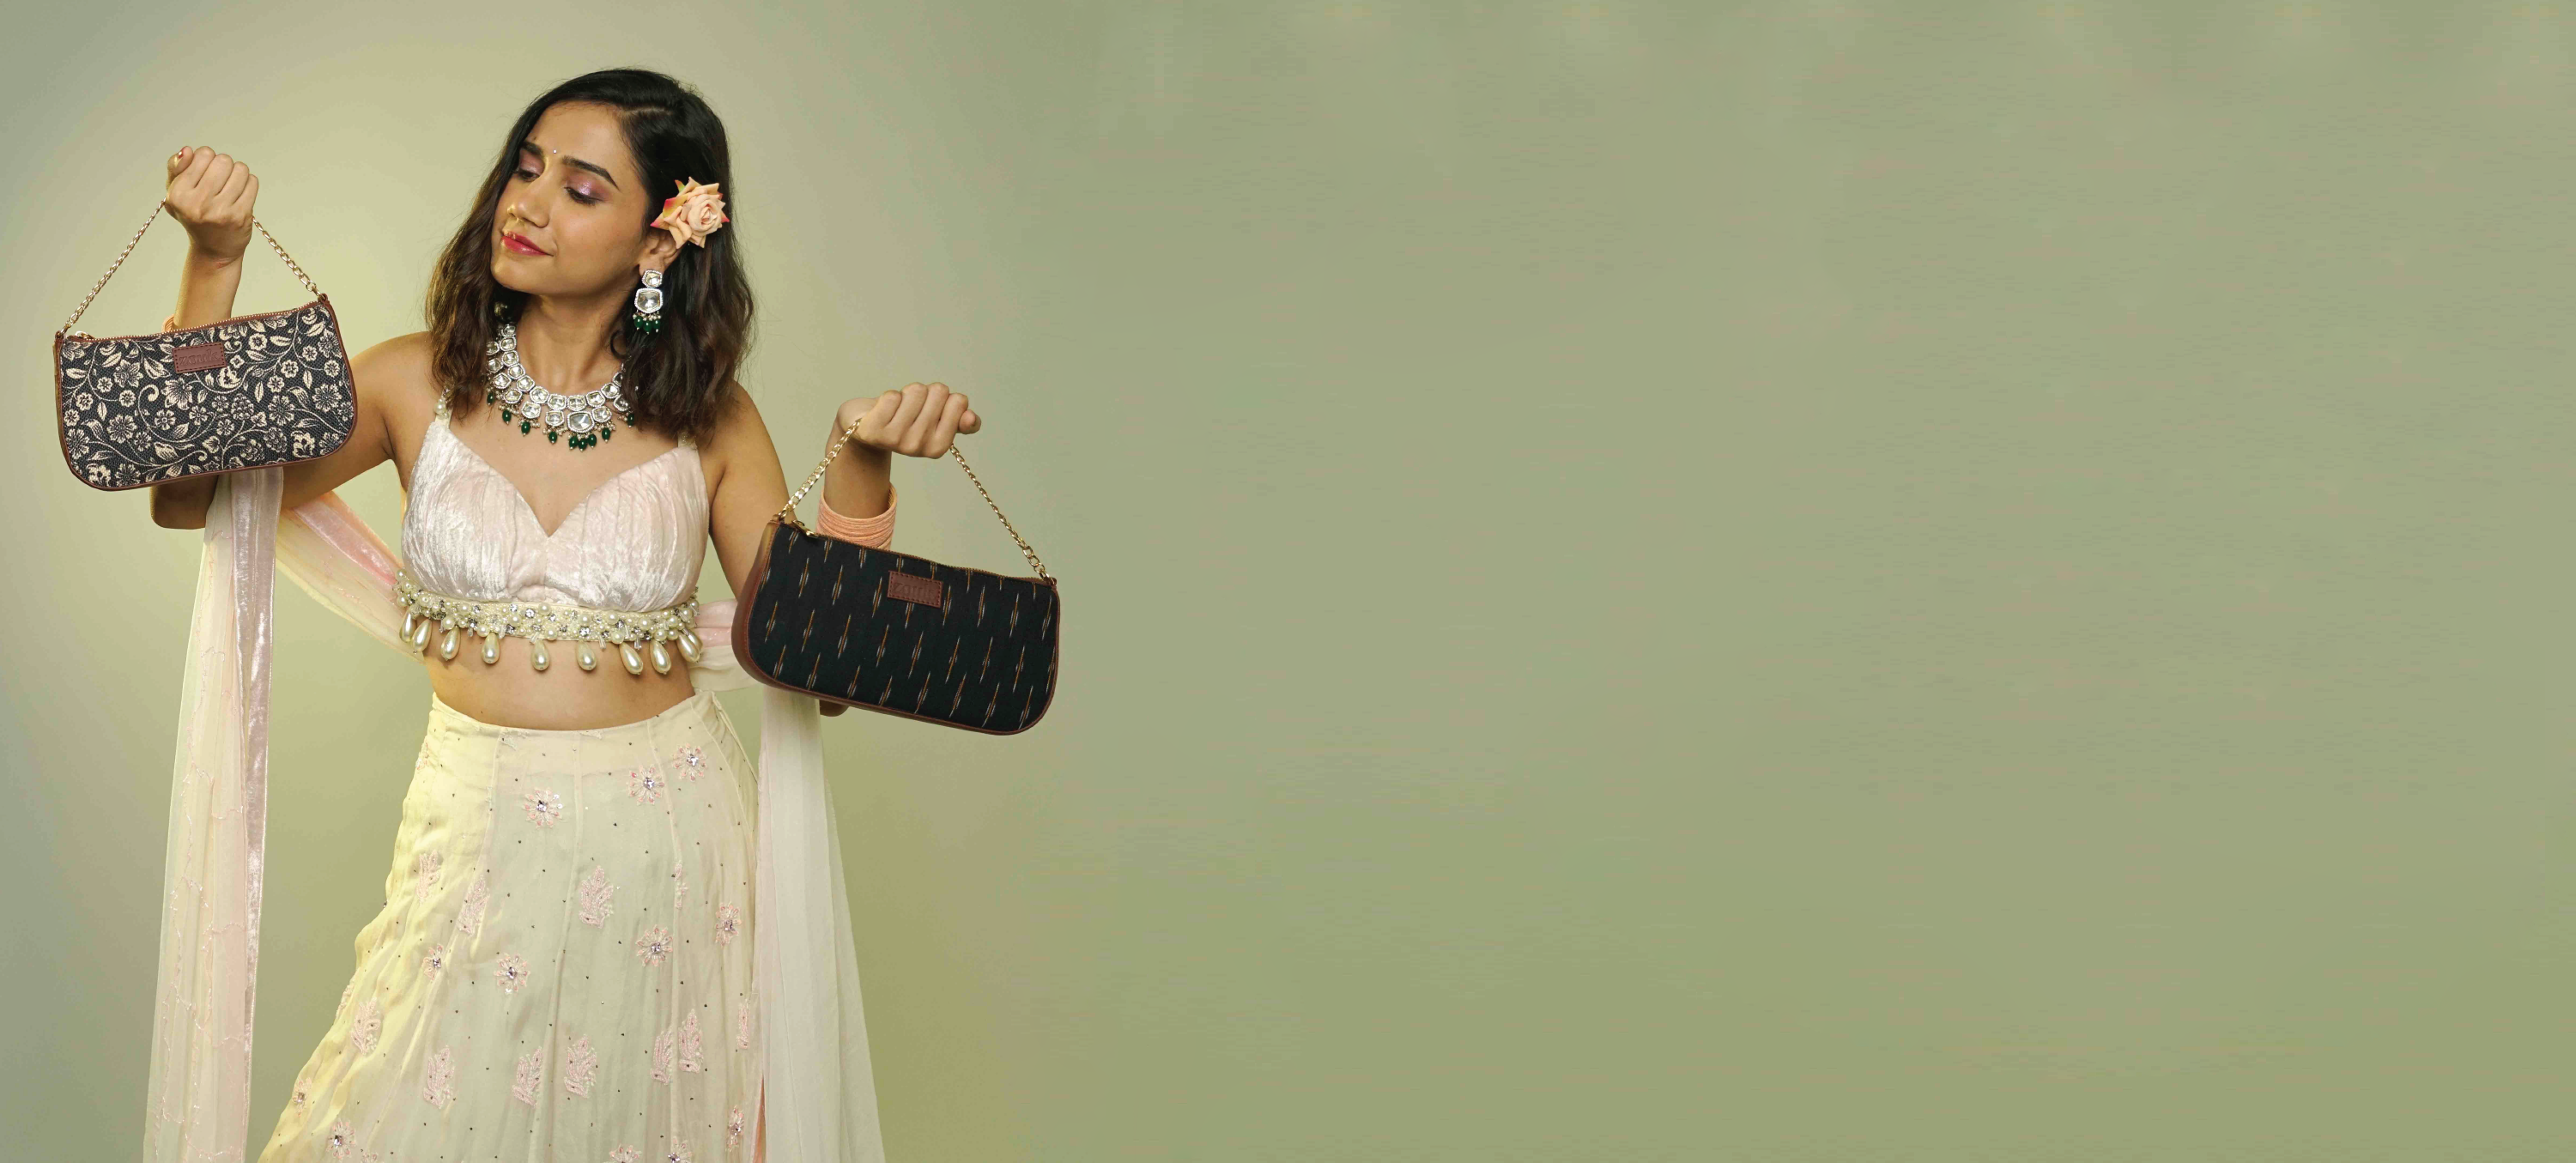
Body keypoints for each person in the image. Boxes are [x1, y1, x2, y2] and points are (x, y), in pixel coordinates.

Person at [141, 68, 977, 1162]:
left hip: (673, 849)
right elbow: (189, 495)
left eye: (581, 189)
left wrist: (859, 465)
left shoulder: (712, 421)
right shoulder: (408, 381)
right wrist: (214, 263)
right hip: (472, 835)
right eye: (525, 169)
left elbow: (824, 671)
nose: (528, 203)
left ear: (660, 238)